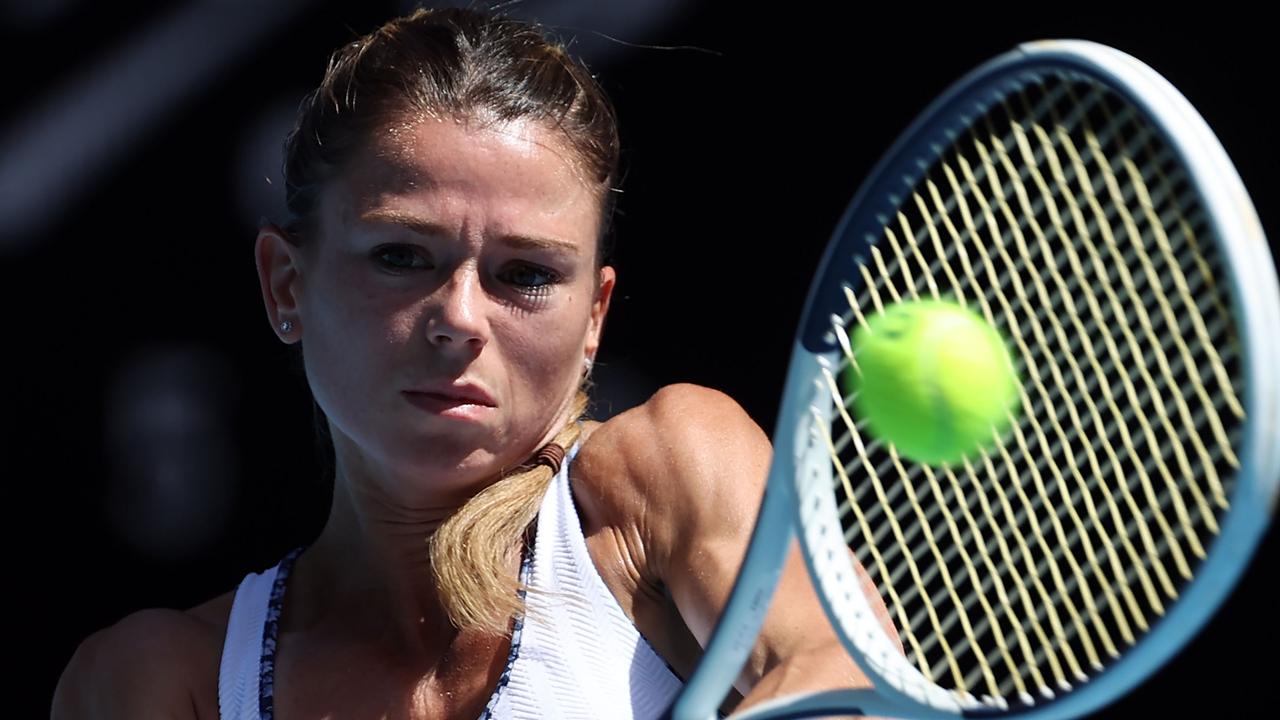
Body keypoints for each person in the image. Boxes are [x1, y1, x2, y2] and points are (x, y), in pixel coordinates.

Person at [52, 6, 894, 718]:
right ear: (285, 285)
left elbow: (848, 679)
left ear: (594, 316)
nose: (459, 318)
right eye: (400, 256)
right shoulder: (155, 682)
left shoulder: (665, 469)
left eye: (525, 275)